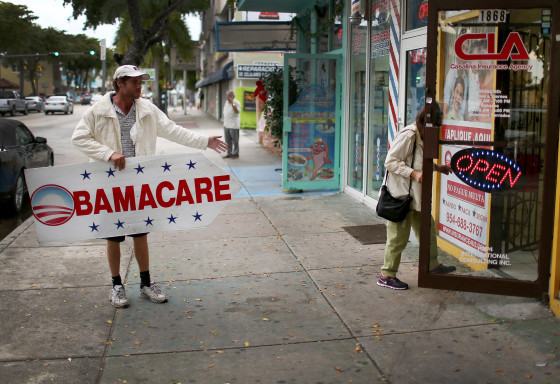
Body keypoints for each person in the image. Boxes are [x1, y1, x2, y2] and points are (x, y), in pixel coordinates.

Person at [71, 65, 228, 307]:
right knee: (113, 236)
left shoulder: (147, 109)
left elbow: (173, 131)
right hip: (109, 184)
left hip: (138, 183)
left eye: (141, 81)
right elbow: (79, 138)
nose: (139, 85)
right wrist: (108, 153)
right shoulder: (98, 111)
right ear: (120, 83)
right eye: (134, 81)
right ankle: (116, 286)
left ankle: (146, 284)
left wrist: (204, 141)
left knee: (141, 233)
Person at [377, 104, 456, 290]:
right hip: (402, 198)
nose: (437, 130)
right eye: (435, 126)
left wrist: (438, 168)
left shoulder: (422, 137)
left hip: (417, 198)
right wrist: (412, 173)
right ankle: (386, 275)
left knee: (427, 230)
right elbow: (390, 161)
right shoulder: (409, 135)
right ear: (424, 123)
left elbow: (420, 162)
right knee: (398, 239)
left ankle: (433, 265)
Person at [223, 90, 241, 159]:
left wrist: (232, 103)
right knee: (227, 141)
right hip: (226, 124)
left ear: (232, 96)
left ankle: (236, 154)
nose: (227, 97)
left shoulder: (236, 102)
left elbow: (237, 112)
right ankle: (229, 153)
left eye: (229, 95)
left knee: (235, 141)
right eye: (227, 95)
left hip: (233, 125)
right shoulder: (226, 103)